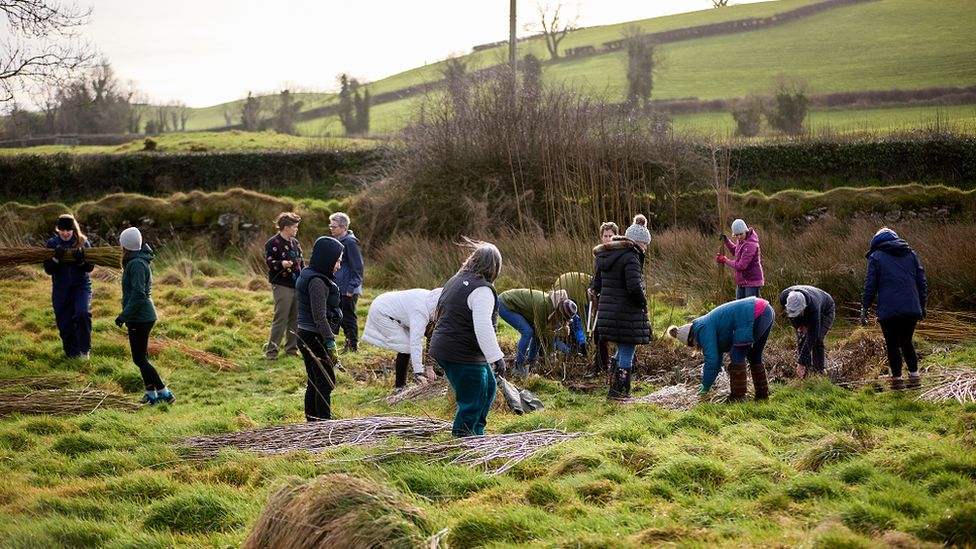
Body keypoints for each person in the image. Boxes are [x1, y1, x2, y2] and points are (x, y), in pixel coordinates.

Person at [428, 239, 506, 437]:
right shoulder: (482, 290)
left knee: (488, 387)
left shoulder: (455, 281)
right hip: (461, 351)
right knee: (473, 399)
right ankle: (463, 439)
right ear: (494, 266)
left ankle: (477, 433)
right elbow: (483, 326)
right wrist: (497, 357)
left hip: (447, 347)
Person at [667, 296, 775, 403]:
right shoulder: (705, 325)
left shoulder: (702, 329)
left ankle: (738, 398)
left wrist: (705, 386)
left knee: (736, 354)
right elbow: (717, 359)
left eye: (692, 344)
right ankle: (762, 397)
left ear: (692, 338)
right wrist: (708, 384)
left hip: (753, 313)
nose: (696, 346)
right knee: (754, 355)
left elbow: (712, 360)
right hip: (766, 311)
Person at [592, 214, 653, 399]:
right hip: (625, 313)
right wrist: (643, 302)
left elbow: (598, 284)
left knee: (621, 350)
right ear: (638, 242)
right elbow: (634, 287)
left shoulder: (608, 254)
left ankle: (614, 390)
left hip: (609, 313)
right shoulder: (631, 257)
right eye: (645, 244)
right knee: (627, 350)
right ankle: (621, 393)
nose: (646, 248)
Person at [860, 227, 927, 390]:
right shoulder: (911, 254)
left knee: (892, 345)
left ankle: (897, 381)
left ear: (876, 241)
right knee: (906, 341)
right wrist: (922, 306)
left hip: (889, 309)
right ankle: (914, 378)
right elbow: (922, 282)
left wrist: (865, 308)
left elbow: (870, 285)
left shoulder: (876, 257)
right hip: (911, 307)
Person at [115, 227, 174, 406]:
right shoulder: (137, 261)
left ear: (126, 245)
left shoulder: (137, 264)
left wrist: (123, 316)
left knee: (139, 359)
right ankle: (151, 393)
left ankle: (164, 392)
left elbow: (139, 295)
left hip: (140, 317)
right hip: (140, 316)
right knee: (142, 358)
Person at [295, 236, 345, 421]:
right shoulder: (317, 281)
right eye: (337, 261)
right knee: (325, 382)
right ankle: (323, 425)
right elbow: (319, 317)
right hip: (314, 338)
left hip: (305, 334)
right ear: (327, 259)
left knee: (315, 381)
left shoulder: (309, 272)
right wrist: (330, 342)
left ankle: (313, 422)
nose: (338, 266)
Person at [361, 287, 442, 392]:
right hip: (382, 310)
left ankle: (401, 385)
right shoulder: (421, 311)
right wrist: (419, 373)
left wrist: (429, 367)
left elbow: (432, 338)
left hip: (397, 311)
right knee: (405, 346)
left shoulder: (433, 303)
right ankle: (400, 387)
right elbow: (416, 342)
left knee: (407, 345)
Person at [497, 288, 583, 378]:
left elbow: (543, 333)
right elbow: (543, 333)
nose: (562, 321)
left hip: (515, 305)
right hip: (506, 303)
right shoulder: (544, 306)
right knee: (528, 332)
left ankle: (530, 362)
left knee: (536, 334)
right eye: (563, 318)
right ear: (560, 312)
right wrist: (552, 354)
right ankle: (518, 367)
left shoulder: (554, 307)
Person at [43, 214, 93, 360]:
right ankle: (72, 354)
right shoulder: (52, 244)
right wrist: (55, 258)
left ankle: (84, 351)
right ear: (58, 229)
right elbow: (48, 270)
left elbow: (89, 268)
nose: (65, 233)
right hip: (61, 289)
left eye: (68, 230)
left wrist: (80, 261)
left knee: (82, 314)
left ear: (73, 229)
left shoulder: (82, 242)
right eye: (62, 230)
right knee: (64, 323)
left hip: (81, 287)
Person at [263, 212, 305, 360]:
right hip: (282, 286)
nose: (296, 229)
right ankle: (271, 353)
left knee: (295, 319)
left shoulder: (295, 243)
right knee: (281, 318)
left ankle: (291, 351)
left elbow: (301, 262)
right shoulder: (272, 243)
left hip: (297, 285)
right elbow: (269, 262)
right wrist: (281, 263)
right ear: (286, 227)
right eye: (294, 227)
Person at [779, 285, 835, 379]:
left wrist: (800, 363)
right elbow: (792, 316)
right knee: (801, 337)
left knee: (817, 340)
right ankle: (806, 373)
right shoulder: (784, 297)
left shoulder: (814, 306)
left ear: (804, 307)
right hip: (805, 309)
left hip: (826, 310)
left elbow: (812, 336)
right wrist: (799, 326)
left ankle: (819, 372)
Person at [329, 212, 364, 353]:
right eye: (330, 226)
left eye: (334, 227)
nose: (331, 229)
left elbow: (358, 267)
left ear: (343, 228)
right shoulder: (338, 241)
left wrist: (351, 287)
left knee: (348, 318)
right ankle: (348, 343)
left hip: (348, 289)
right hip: (339, 287)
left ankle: (353, 346)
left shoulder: (350, 242)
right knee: (341, 317)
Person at [717, 218, 765, 299]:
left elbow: (741, 266)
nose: (739, 237)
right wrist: (726, 241)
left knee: (750, 308)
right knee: (739, 307)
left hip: (752, 282)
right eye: (736, 235)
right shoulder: (742, 240)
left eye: (741, 234)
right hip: (742, 281)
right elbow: (736, 251)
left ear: (745, 230)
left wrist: (725, 260)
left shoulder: (751, 245)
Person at [552, 271, 592, 356]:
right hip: (577, 291)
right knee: (559, 329)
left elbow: (578, 327)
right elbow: (552, 338)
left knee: (575, 322)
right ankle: (569, 345)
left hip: (560, 284)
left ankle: (575, 343)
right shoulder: (553, 315)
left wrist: (582, 343)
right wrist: (568, 351)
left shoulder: (572, 312)